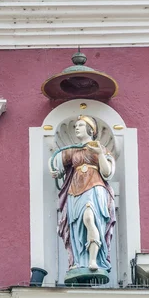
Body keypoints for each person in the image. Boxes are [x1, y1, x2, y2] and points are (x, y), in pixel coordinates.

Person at [49, 115, 116, 277]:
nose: (76, 128)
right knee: (76, 226)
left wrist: (100, 154)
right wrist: (55, 170)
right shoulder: (73, 150)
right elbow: (55, 162)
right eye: (76, 126)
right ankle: (79, 261)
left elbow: (107, 172)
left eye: (80, 125)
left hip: (95, 187)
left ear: (90, 130)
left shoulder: (99, 148)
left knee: (89, 218)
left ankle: (94, 260)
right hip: (75, 190)